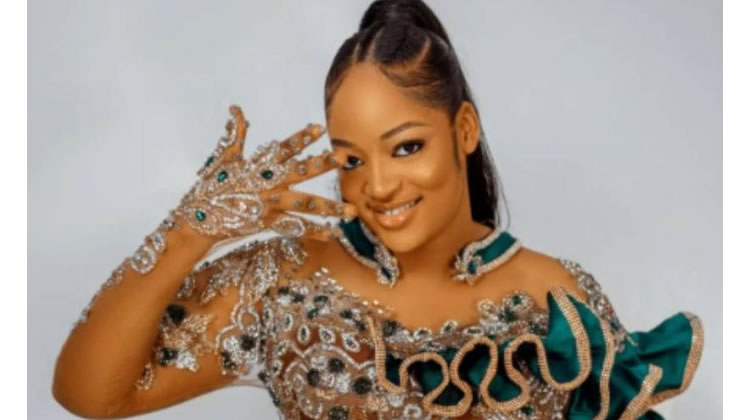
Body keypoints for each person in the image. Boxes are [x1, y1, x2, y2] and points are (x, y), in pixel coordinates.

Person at [51, 1, 703, 419]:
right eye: (352, 159)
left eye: (407, 147)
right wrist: (193, 229)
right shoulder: (282, 279)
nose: (380, 185)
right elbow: (88, 391)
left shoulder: (557, 298)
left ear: (464, 129)